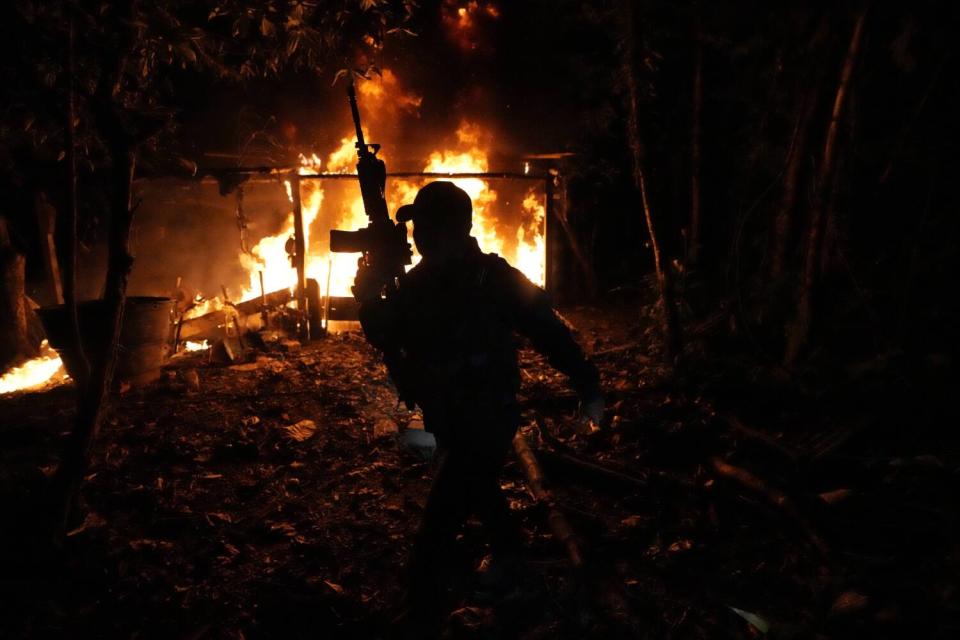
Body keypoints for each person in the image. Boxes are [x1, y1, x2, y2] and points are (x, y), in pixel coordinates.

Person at [354, 181, 603, 631]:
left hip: (487, 417)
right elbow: (387, 335)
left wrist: (586, 381)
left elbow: (547, 330)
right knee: (482, 493)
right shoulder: (418, 283)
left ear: (447, 229)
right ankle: (515, 568)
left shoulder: (494, 278)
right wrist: (369, 295)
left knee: (438, 525)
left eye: (423, 226)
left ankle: (423, 605)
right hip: (447, 415)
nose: (416, 236)